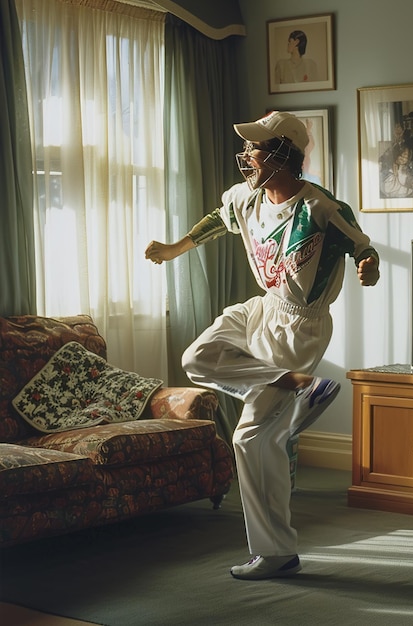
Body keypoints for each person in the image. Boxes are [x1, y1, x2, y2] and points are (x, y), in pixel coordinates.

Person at [145, 111, 380, 580]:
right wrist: (173, 249)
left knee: (251, 438)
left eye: (256, 148)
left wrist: (369, 266)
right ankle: (294, 392)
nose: (248, 155)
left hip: (300, 328)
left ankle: (276, 553)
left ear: (282, 155)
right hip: (263, 306)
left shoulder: (321, 208)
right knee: (198, 357)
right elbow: (218, 218)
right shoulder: (247, 198)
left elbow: (363, 246)